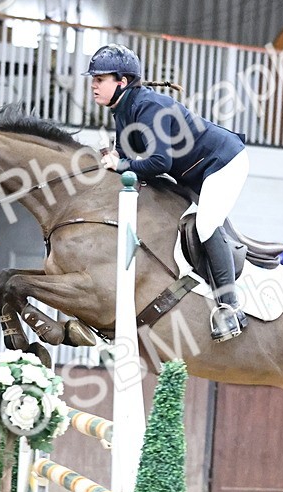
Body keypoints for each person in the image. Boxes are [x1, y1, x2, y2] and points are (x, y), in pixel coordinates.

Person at [86, 43, 249, 342]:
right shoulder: (122, 110)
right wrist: (112, 162)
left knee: (206, 223)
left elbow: (160, 162)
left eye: (100, 79)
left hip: (223, 162)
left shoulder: (149, 107)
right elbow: (125, 155)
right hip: (193, 170)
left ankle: (229, 307)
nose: (93, 84)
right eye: (94, 79)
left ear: (121, 82)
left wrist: (119, 163)